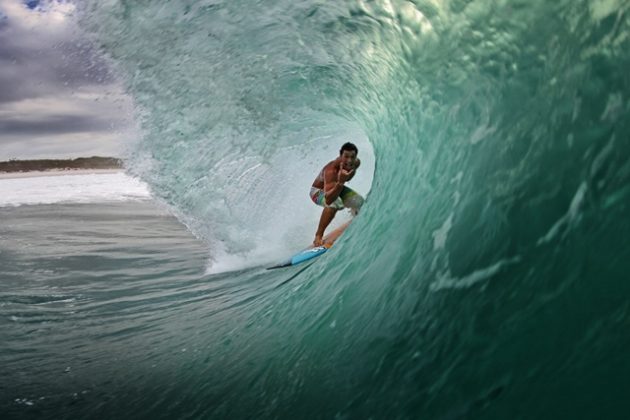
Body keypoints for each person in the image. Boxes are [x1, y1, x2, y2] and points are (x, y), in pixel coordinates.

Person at [310, 142, 364, 247]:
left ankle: (354, 215)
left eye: (352, 157)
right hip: (317, 191)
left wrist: (344, 179)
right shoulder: (331, 171)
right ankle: (318, 235)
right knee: (335, 204)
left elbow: (349, 175)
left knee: (360, 202)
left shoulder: (356, 163)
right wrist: (340, 182)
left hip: (336, 187)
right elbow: (329, 199)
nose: (349, 160)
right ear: (340, 155)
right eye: (346, 157)